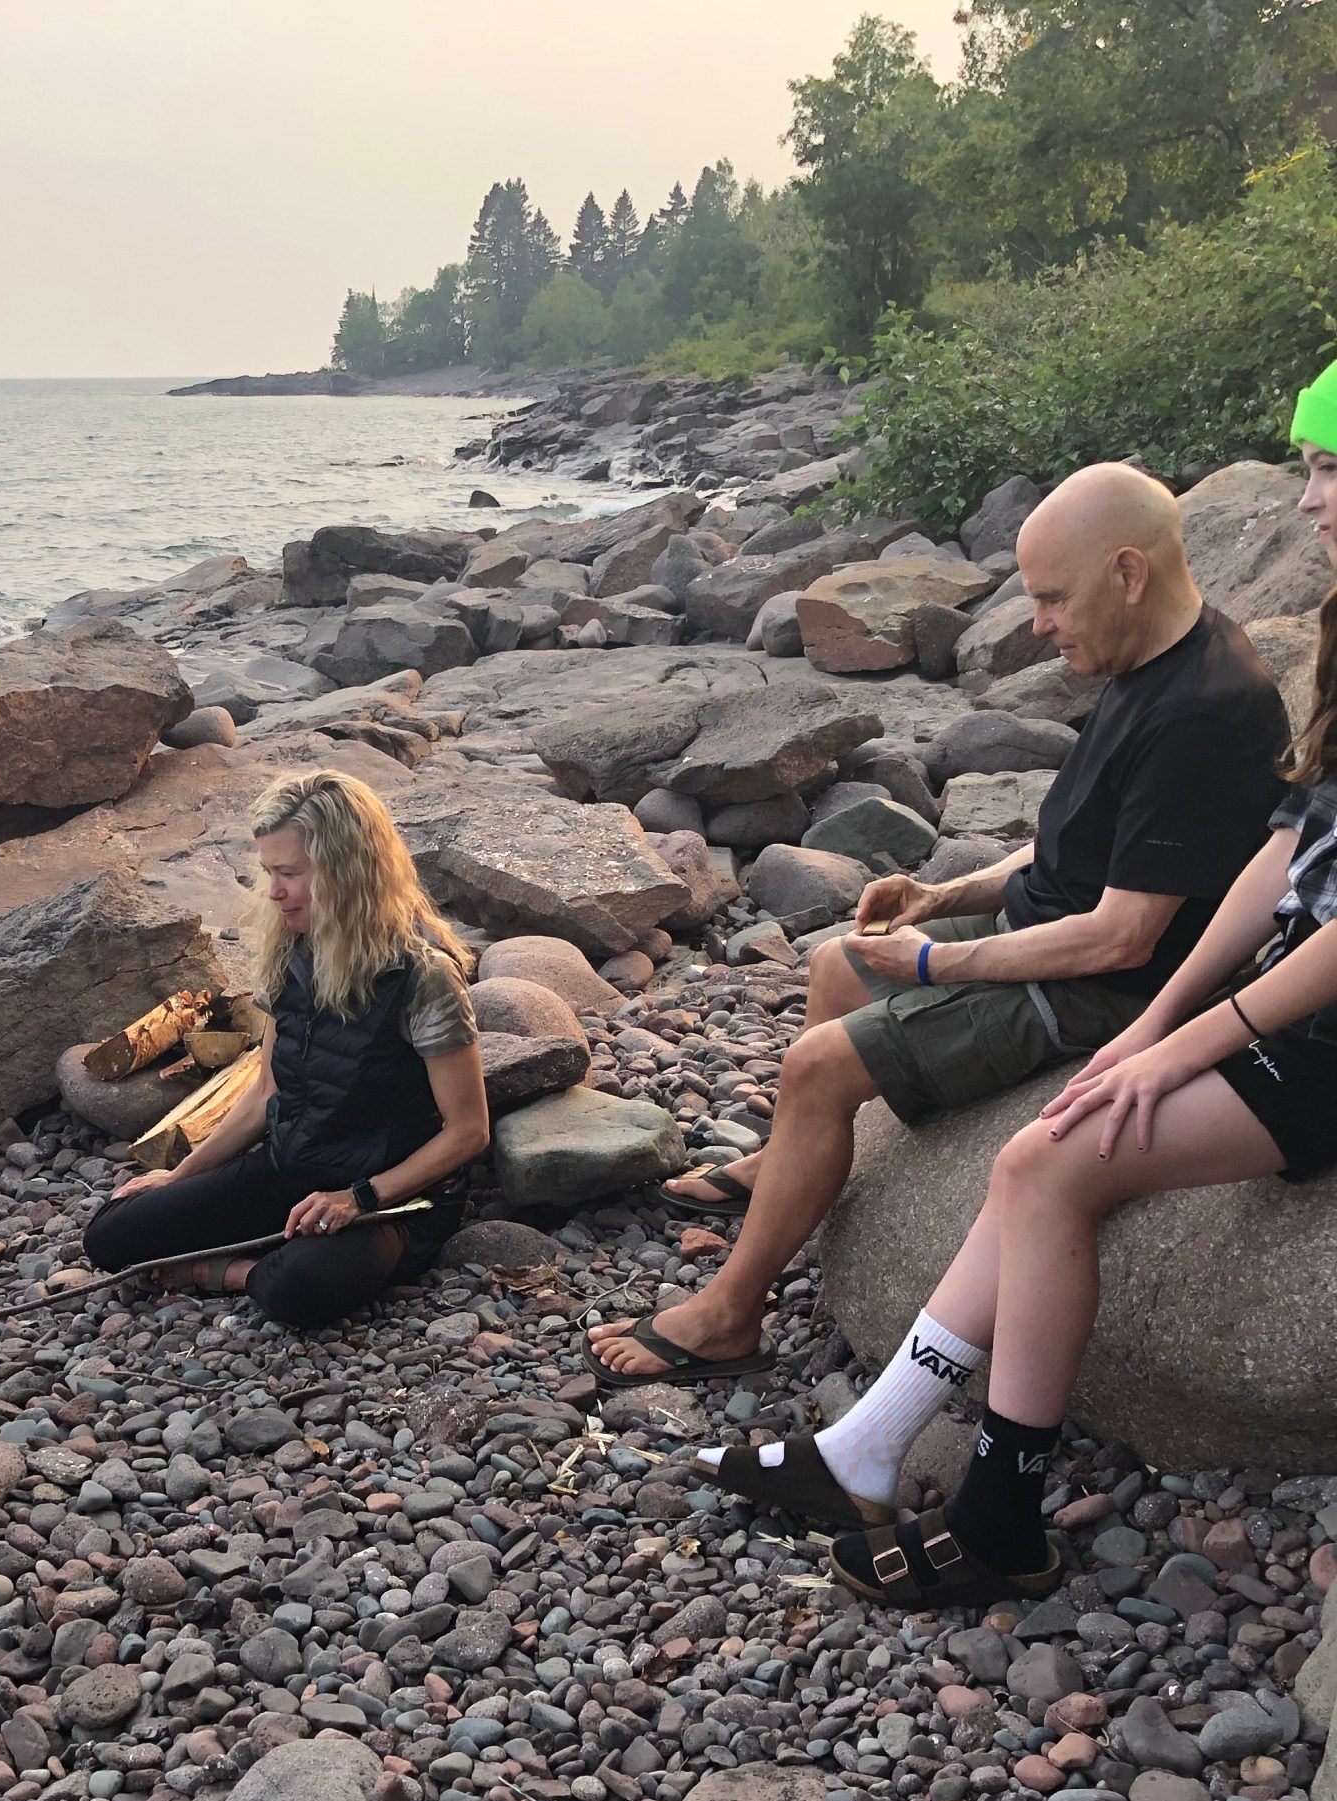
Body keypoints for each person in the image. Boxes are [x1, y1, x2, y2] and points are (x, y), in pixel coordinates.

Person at [700, 365, 1337, 1607]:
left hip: (1299, 1019)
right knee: (1027, 1141)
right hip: (1266, 990)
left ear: (1122, 575)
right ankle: (869, 1449)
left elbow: (1178, 925)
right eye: (1309, 470)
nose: (1308, 502)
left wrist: (1174, 1035)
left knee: (1041, 1161)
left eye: (1330, 472)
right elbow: (1288, 852)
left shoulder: (1207, 697)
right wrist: (1162, 1025)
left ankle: (997, 1517)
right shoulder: (1293, 639)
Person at [586, 461, 1291, 1391]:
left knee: (817, 1065)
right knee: (841, 970)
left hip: (1102, 996)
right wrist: (934, 898)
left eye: (1052, 599)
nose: (1037, 625)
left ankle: (728, 1316)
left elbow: (1122, 936)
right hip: (1071, 949)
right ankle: (783, 1163)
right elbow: (1064, 858)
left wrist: (936, 962)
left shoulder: (1202, 712)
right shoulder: (1142, 657)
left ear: (1128, 573)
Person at [81, 768, 489, 1328]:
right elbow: (263, 1092)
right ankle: (265, 1256)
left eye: (290, 873)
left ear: (350, 872)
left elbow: (468, 1132)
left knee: (299, 1289)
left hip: (392, 1204)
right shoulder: (290, 952)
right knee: (111, 1234)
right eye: (269, 871)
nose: (274, 892)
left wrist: (357, 1198)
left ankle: (231, 1272)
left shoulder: (424, 978)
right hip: (287, 1172)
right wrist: (181, 1177)